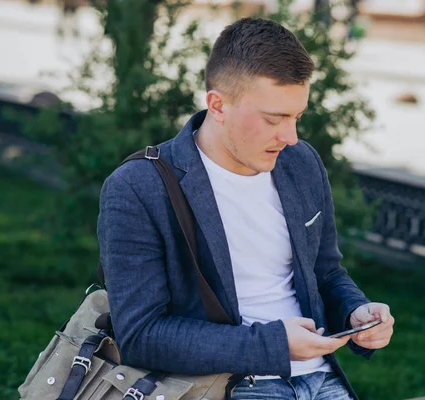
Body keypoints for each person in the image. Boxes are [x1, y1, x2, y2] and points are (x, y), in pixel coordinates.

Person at [97, 17, 394, 400]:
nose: (291, 137)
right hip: (230, 384)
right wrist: (270, 345)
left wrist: (356, 314)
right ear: (218, 105)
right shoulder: (139, 186)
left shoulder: (301, 164)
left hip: (321, 378)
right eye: (274, 119)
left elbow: (326, 272)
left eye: (297, 117)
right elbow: (141, 335)